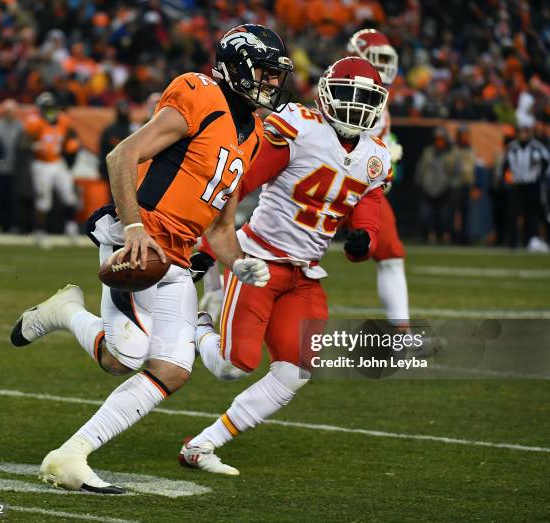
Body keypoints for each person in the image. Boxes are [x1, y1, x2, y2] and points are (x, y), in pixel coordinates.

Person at [9, 24, 293, 493]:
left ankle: (70, 455)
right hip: (137, 239)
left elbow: (221, 230)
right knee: (127, 355)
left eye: (274, 74)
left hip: (177, 257)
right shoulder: (199, 93)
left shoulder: (256, 135)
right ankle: (66, 313)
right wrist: (135, 227)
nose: (271, 83)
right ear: (237, 66)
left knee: (172, 368)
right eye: (264, 71)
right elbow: (122, 155)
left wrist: (239, 262)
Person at [180, 57, 392, 475]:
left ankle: (202, 445)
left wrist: (365, 239)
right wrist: (211, 244)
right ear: (327, 93)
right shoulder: (298, 126)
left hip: (305, 274)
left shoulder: (376, 154)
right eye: (348, 94)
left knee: (295, 371)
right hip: (258, 260)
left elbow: (369, 201)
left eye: (364, 98)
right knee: (231, 367)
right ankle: (196, 325)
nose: (355, 105)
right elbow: (241, 181)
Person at [346, 28, 410, 328]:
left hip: (363, 185)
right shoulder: (345, 85)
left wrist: (384, 160)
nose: (382, 66)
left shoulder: (381, 98)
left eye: (386, 60)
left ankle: (402, 329)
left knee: (391, 255)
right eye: (376, 59)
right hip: (333, 175)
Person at [24, 92, 80, 245]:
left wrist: (71, 144)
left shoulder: (63, 120)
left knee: (70, 197)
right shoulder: (34, 122)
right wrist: (34, 145)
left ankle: (71, 229)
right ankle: (39, 232)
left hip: (58, 162)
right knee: (44, 202)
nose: (49, 111)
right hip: (41, 164)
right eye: (46, 108)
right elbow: (23, 143)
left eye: (51, 107)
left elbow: (71, 136)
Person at [503, 125, 550, 249]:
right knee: (513, 213)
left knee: (532, 214)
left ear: (529, 133)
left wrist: (538, 177)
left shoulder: (537, 146)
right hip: (517, 185)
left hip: (532, 185)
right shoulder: (512, 147)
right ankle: (512, 243)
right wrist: (508, 180)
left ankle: (530, 241)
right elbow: (505, 167)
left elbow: (546, 162)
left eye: (525, 132)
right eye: (521, 132)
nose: (523, 135)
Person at [415, 127, 454, 243]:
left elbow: (455, 171)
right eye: (437, 139)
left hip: (444, 189)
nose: (439, 142)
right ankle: (426, 236)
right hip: (428, 188)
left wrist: (451, 185)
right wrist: (420, 181)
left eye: (441, 139)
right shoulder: (428, 152)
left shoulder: (451, 154)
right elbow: (421, 168)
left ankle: (441, 236)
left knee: (443, 216)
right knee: (425, 215)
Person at [0, 99, 23, 232]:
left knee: (13, 200)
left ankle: (12, 225)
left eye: (11, 111)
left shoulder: (20, 127)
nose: (9, 113)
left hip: (14, 169)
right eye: (7, 111)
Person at [98, 99, 137, 187]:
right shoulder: (109, 130)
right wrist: (102, 167)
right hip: (112, 169)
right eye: (121, 109)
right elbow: (103, 150)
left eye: (125, 108)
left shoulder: (135, 129)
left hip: (131, 169)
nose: (123, 111)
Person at [450, 125, 476, 244]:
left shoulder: (471, 149)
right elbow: (450, 166)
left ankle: (465, 236)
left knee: (466, 212)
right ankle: (453, 236)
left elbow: (473, 169)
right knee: (454, 212)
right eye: (462, 135)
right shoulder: (454, 149)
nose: (464, 137)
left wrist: (475, 185)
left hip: (467, 184)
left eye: (465, 135)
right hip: (456, 184)